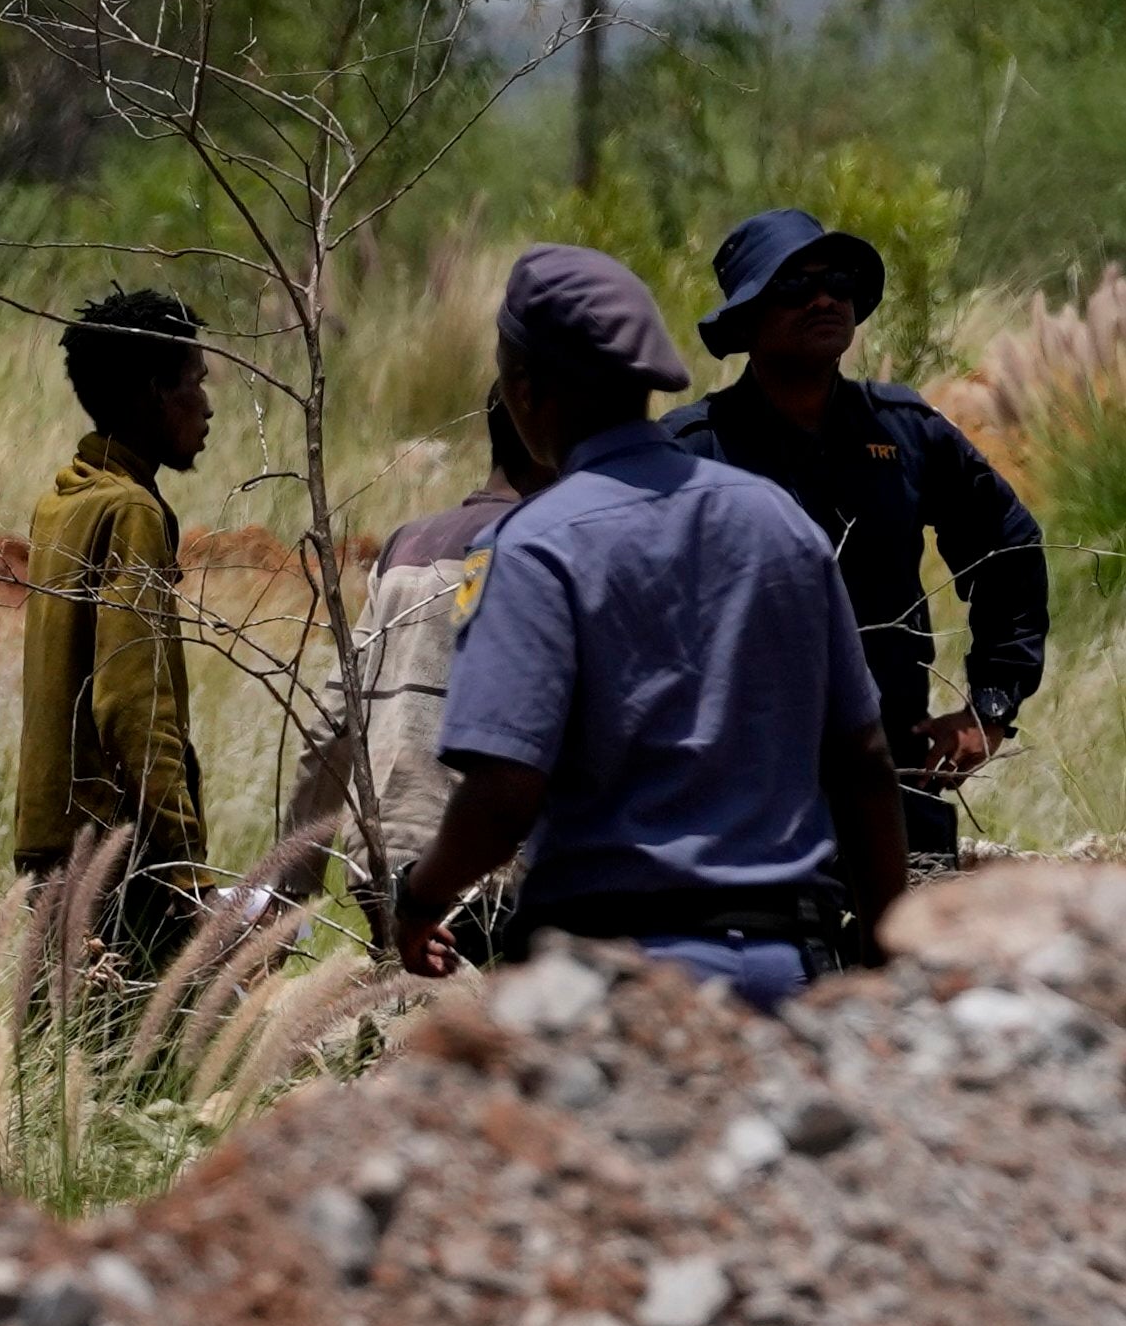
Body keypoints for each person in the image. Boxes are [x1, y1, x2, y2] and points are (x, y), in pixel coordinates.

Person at [391, 246, 908, 1008]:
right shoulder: (779, 522)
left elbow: (504, 790)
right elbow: (863, 760)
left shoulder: (530, 547)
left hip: (611, 983)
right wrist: (879, 960)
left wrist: (421, 895)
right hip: (783, 971)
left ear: (525, 391)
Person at [668, 208, 1044, 865]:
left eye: (836, 280)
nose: (822, 297)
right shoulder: (690, 451)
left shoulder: (904, 431)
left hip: (884, 776)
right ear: (748, 317)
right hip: (726, 794)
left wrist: (990, 704)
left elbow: (1006, 547)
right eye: (791, 284)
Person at [10, 288, 217, 978]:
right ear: (155, 393)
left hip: (54, 851)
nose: (207, 405)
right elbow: (134, 703)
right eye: (195, 382)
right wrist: (185, 867)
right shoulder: (129, 512)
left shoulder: (64, 500)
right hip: (118, 861)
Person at [353, 388, 554, 898]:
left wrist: (295, 875)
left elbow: (337, 714)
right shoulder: (543, 546)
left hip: (377, 846)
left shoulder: (404, 543)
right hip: (476, 859)